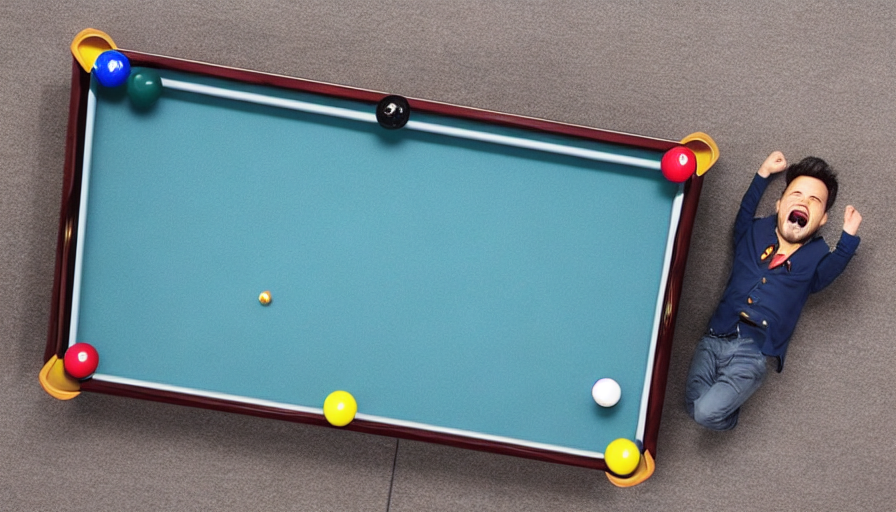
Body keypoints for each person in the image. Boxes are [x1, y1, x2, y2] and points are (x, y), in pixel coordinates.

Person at [685, 151, 862, 431]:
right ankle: (725, 407)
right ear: (779, 205)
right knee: (692, 404)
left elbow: (832, 270)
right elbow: (745, 212)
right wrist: (763, 175)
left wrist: (848, 240)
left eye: (814, 201)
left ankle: (726, 415)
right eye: (797, 194)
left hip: (753, 350)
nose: (804, 201)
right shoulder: (753, 233)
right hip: (715, 335)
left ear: (823, 219)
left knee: (705, 414)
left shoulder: (816, 259)